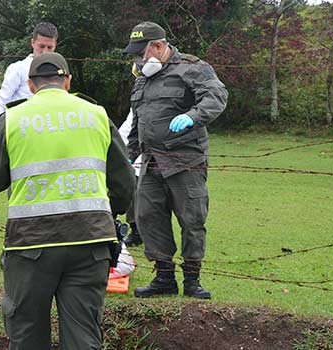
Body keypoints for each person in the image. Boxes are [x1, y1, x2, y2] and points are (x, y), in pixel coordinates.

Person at [0, 52, 134, 349]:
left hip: (31, 245)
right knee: (83, 335)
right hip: (90, 242)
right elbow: (125, 183)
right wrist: (107, 211)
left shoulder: (13, 118)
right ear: (68, 82)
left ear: (31, 85)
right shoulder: (96, 114)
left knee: (27, 332)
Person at [123, 22, 228, 299]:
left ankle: (192, 279)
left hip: (185, 161)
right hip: (151, 162)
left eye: (142, 53)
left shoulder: (193, 68)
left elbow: (217, 96)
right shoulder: (143, 79)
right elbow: (138, 121)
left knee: (192, 219)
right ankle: (164, 277)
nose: (139, 59)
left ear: (158, 46)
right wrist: (129, 155)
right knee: (148, 218)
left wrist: (193, 116)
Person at [0, 22, 58, 132]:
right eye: (41, 46)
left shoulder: (59, 71)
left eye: (49, 47)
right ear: (33, 43)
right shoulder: (18, 68)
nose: (45, 51)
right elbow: (1, 101)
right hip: (21, 130)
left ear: (55, 45)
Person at [117, 109, 142, 246]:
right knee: (132, 190)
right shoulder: (139, 98)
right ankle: (136, 231)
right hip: (133, 150)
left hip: (158, 153)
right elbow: (130, 125)